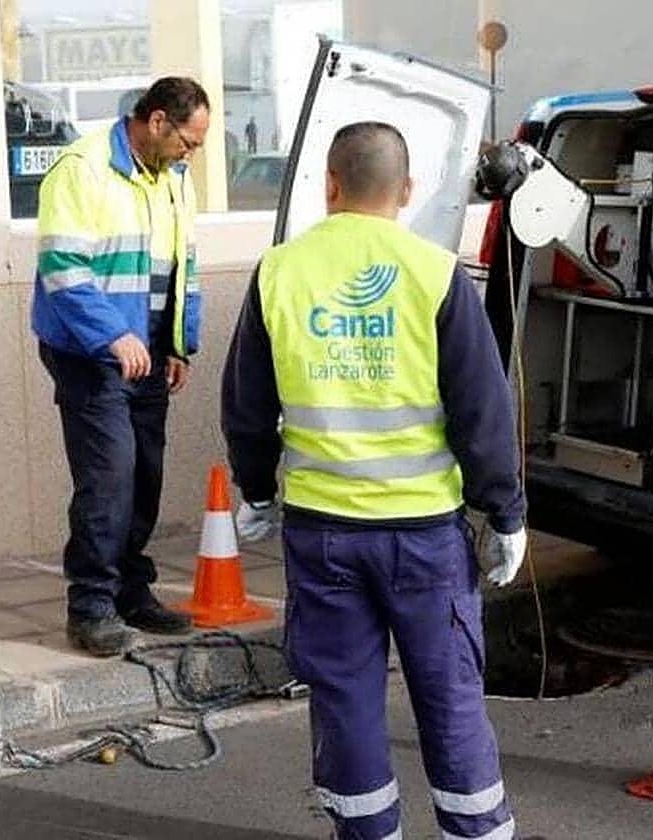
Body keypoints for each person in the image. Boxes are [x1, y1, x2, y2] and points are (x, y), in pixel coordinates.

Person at [221, 121, 525, 840]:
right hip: (425, 540)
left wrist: (257, 490)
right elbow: (482, 409)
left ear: (329, 185)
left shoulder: (278, 272)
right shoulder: (435, 272)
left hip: (324, 536)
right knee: (449, 697)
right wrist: (505, 512)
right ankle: (476, 832)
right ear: (407, 191)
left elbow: (245, 405)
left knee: (345, 701)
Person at [32, 77, 210, 657]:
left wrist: (178, 341)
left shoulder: (171, 177)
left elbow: (182, 263)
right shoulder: (82, 169)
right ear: (157, 122)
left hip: (148, 352)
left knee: (144, 478)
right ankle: (91, 606)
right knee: (108, 481)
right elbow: (62, 267)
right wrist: (113, 335)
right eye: (190, 140)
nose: (194, 153)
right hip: (91, 354)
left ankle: (132, 591)